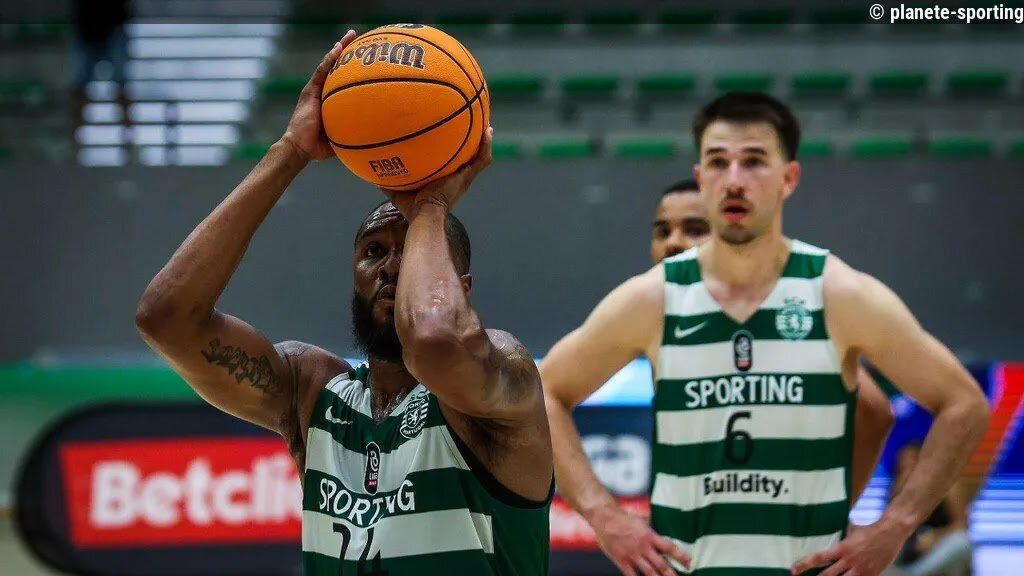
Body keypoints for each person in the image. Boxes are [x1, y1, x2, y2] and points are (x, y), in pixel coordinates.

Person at [134, 32, 553, 575]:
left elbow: (434, 339)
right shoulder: (312, 393)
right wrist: (291, 151)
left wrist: (430, 205)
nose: (392, 266)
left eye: (412, 250)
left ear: (461, 287)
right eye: (374, 251)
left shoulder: (505, 377)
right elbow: (166, 318)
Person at [540, 92, 990, 576]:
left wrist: (894, 526)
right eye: (718, 162)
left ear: (788, 178)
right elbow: (543, 391)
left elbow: (963, 405)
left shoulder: (838, 293)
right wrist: (603, 516)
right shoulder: (654, 298)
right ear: (701, 177)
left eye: (753, 161)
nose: (734, 179)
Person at [885, 442, 974, 576]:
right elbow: (889, 523)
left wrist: (935, 538)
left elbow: (961, 524)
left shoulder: (948, 485)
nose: (908, 468)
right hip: (908, 546)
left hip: (938, 544)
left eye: (912, 463)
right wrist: (903, 486)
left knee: (961, 542)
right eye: (903, 465)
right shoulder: (897, 487)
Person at [70, 0, 131, 128]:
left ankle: (129, 130)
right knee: (80, 85)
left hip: (106, 25)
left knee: (121, 82)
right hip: (88, 27)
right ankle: (74, 130)